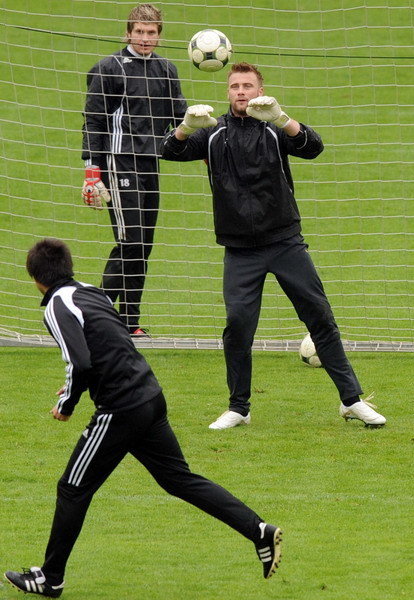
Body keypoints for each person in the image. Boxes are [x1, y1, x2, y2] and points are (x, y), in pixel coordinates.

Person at [4, 238, 282, 598]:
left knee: (71, 488)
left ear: (35, 278)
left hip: (120, 409)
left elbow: (81, 361)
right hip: (149, 394)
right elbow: (113, 342)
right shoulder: (91, 291)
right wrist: (79, 382)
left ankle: (50, 577)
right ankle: (258, 530)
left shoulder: (56, 306)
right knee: (179, 480)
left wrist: (68, 404)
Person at [161, 62, 386, 430]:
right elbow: (169, 151)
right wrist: (186, 127)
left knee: (320, 317)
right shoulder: (213, 132)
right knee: (238, 325)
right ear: (227, 92)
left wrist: (282, 118)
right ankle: (239, 408)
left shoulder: (273, 127)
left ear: (260, 90)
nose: (241, 91)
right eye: (234, 86)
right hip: (240, 250)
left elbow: (313, 147)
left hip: (284, 242)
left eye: (248, 85)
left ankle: (352, 401)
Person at [81, 4, 187, 336]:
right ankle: (90, 315)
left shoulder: (166, 70)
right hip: (117, 160)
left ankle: (129, 322)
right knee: (131, 241)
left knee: (144, 244)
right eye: (139, 32)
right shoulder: (108, 68)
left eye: (151, 32)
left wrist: (201, 144)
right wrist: (91, 173)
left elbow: (180, 117)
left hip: (150, 163)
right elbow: (94, 122)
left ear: (159, 34)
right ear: (127, 32)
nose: (145, 38)